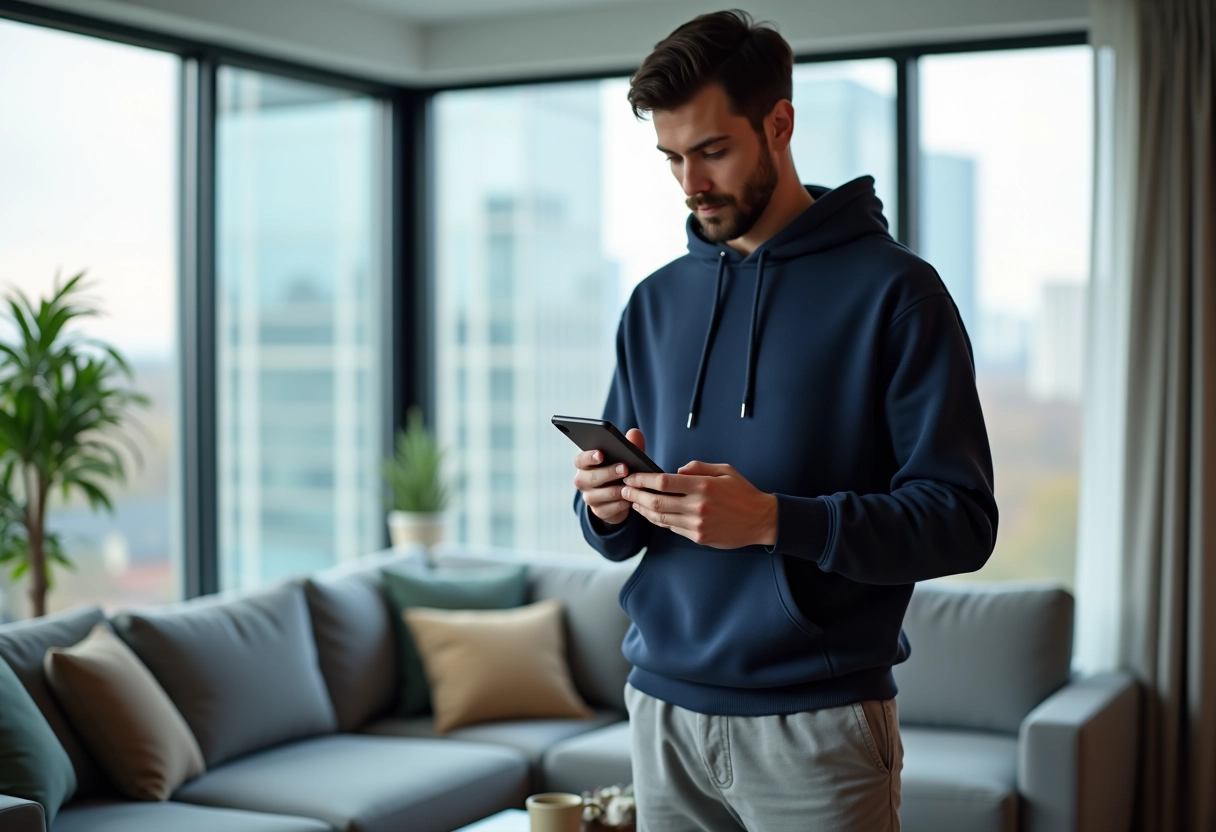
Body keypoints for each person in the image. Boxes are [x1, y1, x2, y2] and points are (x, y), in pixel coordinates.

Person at [570, 9, 999, 832]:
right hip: (661, 712)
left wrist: (773, 520)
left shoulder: (897, 295)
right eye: (672, 158)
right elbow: (617, 528)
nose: (691, 183)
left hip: (819, 725)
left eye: (712, 150)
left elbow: (961, 522)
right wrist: (606, 505)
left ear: (779, 124)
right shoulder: (654, 303)